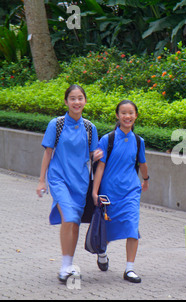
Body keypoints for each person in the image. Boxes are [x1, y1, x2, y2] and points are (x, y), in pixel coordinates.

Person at [37, 84, 102, 283]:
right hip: (58, 179)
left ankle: (69, 264)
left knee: (74, 222)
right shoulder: (55, 124)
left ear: (85, 101)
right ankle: (65, 267)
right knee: (69, 218)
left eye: (80, 98)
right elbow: (48, 152)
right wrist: (42, 181)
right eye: (72, 98)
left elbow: (92, 154)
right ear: (66, 102)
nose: (76, 102)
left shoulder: (90, 128)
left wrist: (97, 154)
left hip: (80, 182)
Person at [92, 100, 149, 283]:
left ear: (136, 115)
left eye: (131, 113)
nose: (127, 116)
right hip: (110, 191)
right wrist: (95, 192)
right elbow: (100, 167)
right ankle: (102, 251)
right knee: (108, 229)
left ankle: (129, 269)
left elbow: (142, 163)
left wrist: (146, 179)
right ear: (117, 115)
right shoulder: (107, 139)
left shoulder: (139, 141)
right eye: (123, 113)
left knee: (132, 227)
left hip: (131, 191)